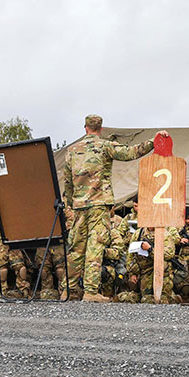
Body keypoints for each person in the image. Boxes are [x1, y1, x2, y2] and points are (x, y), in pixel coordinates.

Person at [62, 114, 167, 303]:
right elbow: (131, 152)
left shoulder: (71, 151)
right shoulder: (105, 146)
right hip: (99, 205)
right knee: (95, 245)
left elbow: (67, 182)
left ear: (85, 128)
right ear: (101, 129)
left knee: (76, 248)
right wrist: (154, 140)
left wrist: (72, 202)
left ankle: (67, 290)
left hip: (79, 206)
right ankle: (91, 291)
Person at [124, 200, 181, 304]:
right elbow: (131, 255)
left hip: (161, 271)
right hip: (145, 271)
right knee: (146, 299)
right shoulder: (138, 233)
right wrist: (132, 273)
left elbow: (168, 255)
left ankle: (172, 297)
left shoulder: (165, 234)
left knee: (163, 300)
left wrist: (150, 250)